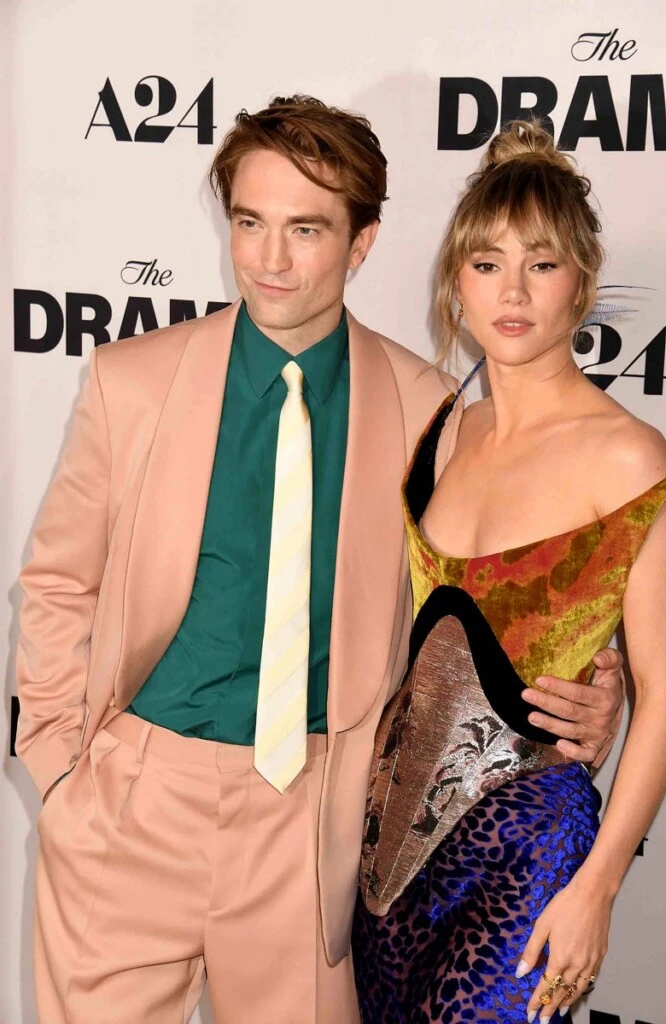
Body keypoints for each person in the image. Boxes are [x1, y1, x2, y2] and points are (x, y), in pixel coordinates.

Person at [16, 99, 623, 1024]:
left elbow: (482, 602)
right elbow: (60, 581)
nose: (268, 259)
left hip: (311, 823)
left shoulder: (429, 409)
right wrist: (61, 772)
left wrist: (590, 680)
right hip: (131, 804)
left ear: (362, 240)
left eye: (304, 229)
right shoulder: (130, 380)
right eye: (249, 223)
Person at [353, 120, 666, 1024]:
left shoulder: (627, 455)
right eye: (486, 262)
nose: (511, 291)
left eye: (541, 264)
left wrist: (598, 886)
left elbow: (665, 694)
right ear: (454, 281)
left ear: (581, 279)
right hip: (385, 858)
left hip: (527, 847)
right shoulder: (442, 433)